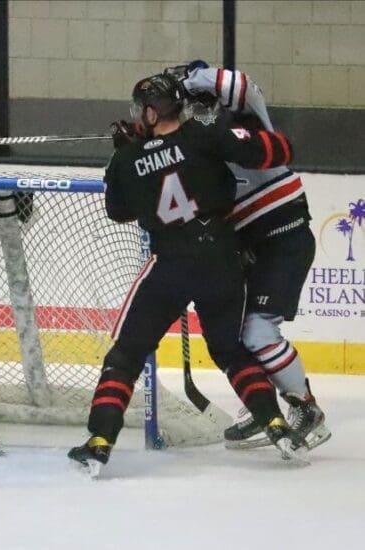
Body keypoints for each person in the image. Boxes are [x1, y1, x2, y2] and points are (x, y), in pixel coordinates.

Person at [68, 74, 306, 476]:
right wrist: (265, 137)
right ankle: (278, 426)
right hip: (222, 261)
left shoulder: (129, 158)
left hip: (170, 267)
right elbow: (276, 152)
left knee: (125, 356)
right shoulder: (205, 136)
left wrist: (125, 154)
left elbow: (119, 211)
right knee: (231, 352)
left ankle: (99, 441)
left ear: (149, 111)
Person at [166, 60, 329, 450]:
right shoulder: (194, 146)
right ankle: (264, 407)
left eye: (202, 98)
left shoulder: (246, 118)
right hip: (255, 248)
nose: (198, 107)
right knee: (235, 336)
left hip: (286, 238)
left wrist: (188, 77)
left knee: (258, 333)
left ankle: (308, 411)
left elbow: (242, 85)